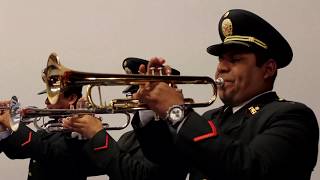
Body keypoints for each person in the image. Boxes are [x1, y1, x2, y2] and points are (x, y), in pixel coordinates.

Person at [131, 9, 319, 180]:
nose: (221, 67)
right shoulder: (211, 117)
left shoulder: (292, 117)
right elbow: (169, 164)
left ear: (268, 69)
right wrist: (150, 110)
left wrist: (177, 112)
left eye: (235, 59)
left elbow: (250, 169)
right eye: (221, 60)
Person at [62, 57, 187, 180]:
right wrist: (82, 136)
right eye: (130, 94)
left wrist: (98, 135)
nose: (132, 98)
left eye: (139, 91)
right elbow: (86, 168)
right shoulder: (127, 138)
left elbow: (141, 175)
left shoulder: (178, 134)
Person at [0, 85, 106, 180]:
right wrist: (4, 129)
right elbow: (17, 153)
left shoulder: (80, 130)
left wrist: (15, 124)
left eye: (51, 97)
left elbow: (48, 152)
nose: (46, 102)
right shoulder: (50, 127)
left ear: (71, 98)